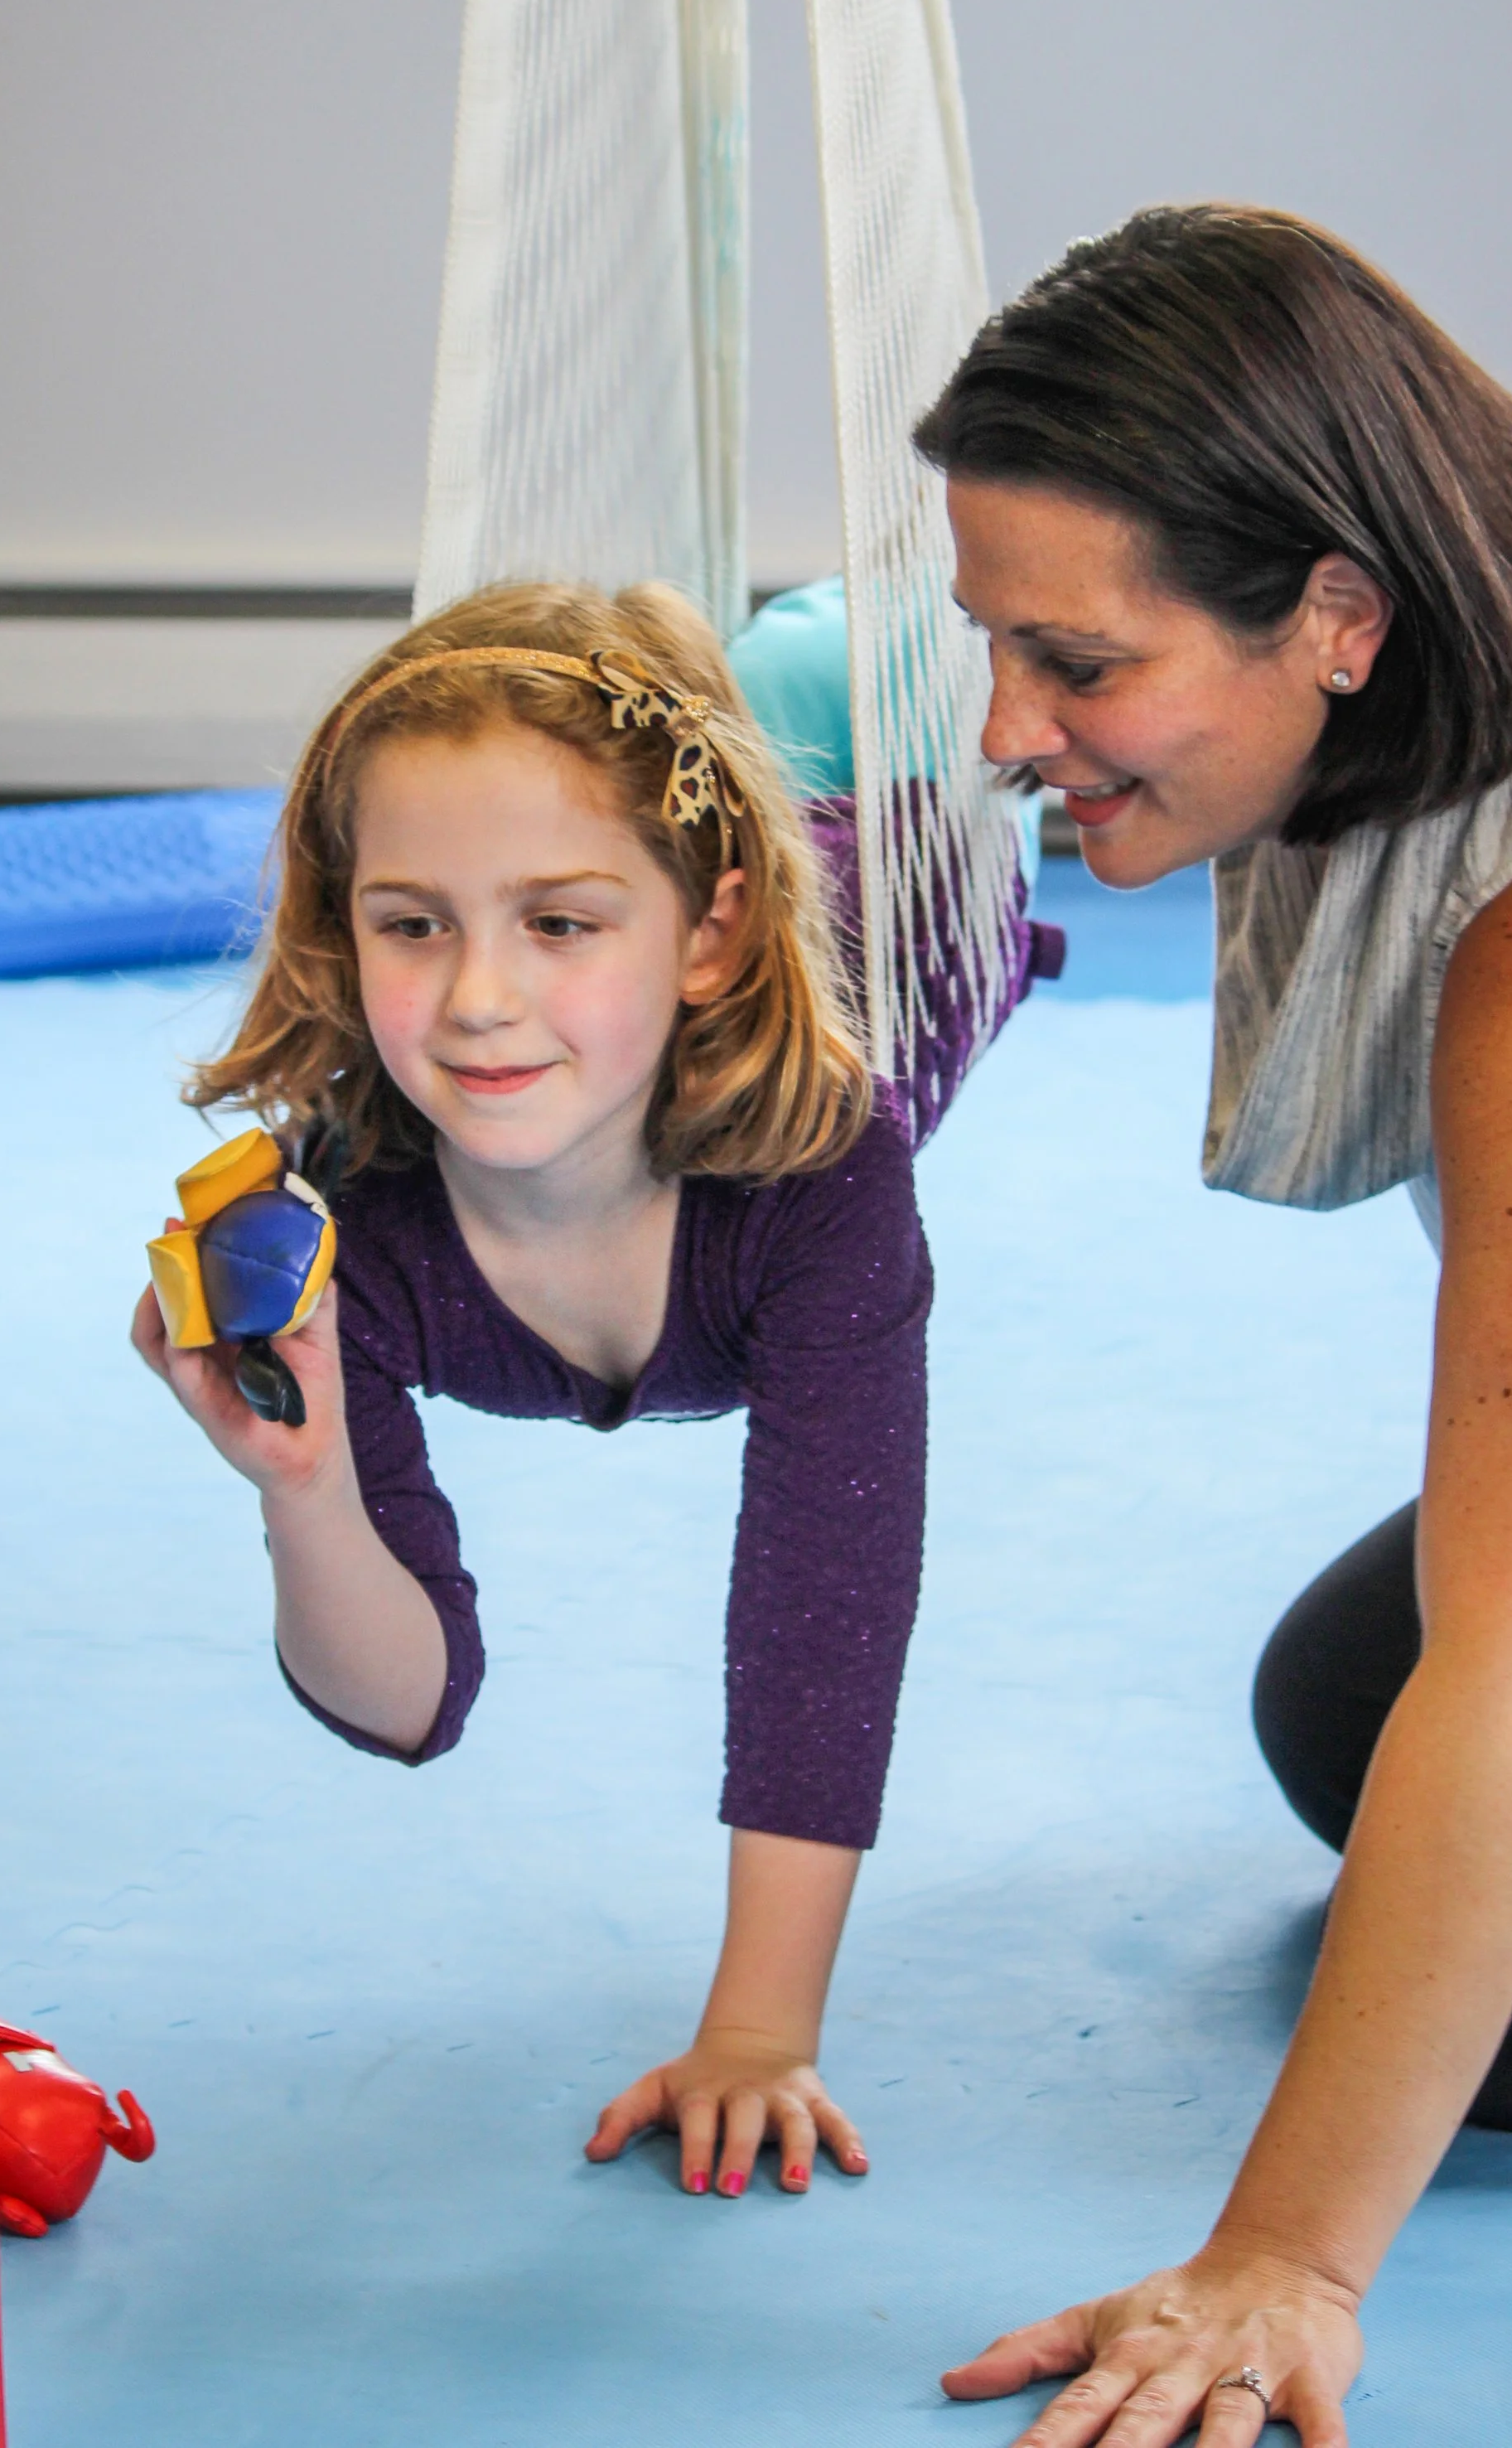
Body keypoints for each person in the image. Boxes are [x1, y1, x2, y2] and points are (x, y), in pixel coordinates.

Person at [914, 202, 1512, 2446]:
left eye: (1076, 663)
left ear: (1332, 609)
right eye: (989, 643)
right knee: (1346, 1695)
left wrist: (1284, 2259)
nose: (1010, 727)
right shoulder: (1472, 603)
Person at [130, 579, 1042, 2204]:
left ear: (705, 941)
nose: (476, 996)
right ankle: (679, 649)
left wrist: (760, 2028)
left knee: (839, 653)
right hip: (715, 855)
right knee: (668, 714)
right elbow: (408, 1704)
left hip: (907, 856)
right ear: (346, 933)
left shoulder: (823, 1182)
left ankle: (775, 630)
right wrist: (305, 1484)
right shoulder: (354, 1233)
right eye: (412, 924)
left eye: (555, 922)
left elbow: (821, 1609)